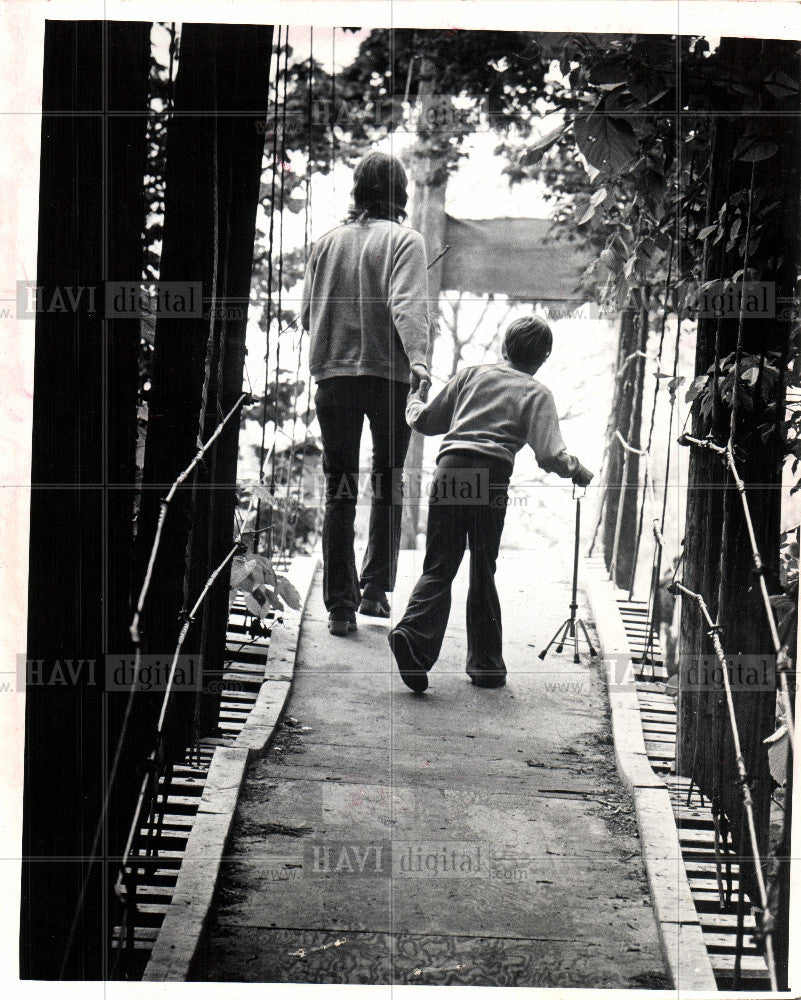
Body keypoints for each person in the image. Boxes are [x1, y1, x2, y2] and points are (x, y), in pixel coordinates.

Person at [388, 315, 594, 692]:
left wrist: (414, 399)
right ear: (543, 357)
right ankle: (484, 665)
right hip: (491, 475)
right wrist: (577, 469)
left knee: (439, 565)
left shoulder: (470, 376)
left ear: (504, 346)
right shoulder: (536, 393)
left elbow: (427, 422)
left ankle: (413, 639)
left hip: (450, 470)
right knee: (482, 567)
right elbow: (550, 455)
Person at [301, 151, 431, 636]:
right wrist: (419, 361)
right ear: (400, 193)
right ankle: (375, 590)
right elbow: (408, 306)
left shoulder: (326, 242)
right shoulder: (405, 241)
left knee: (339, 487)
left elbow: (308, 312)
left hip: (333, 376)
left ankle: (339, 605)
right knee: (388, 478)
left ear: (358, 189)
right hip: (389, 377)